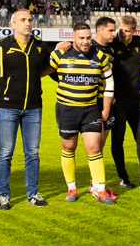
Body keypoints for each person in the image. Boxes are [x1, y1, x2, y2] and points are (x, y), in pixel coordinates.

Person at [0, 9, 54, 209]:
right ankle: (3, 195)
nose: (27, 23)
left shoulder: (40, 46)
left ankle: (32, 193)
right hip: (7, 107)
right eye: (22, 20)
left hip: (34, 107)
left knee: (32, 153)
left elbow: (49, 67)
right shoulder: (1, 47)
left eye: (30, 20)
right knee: (5, 153)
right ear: (13, 24)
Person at [50, 19, 116, 204]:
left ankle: (100, 190)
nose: (86, 41)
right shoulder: (60, 55)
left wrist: (105, 109)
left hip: (90, 110)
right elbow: (45, 68)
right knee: (68, 148)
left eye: (88, 38)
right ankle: (71, 188)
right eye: (81, 38)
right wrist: (57, 47)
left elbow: (109, 83)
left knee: (95, 148)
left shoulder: (100, 57)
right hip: (67, 110)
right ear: (73, 37)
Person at [107, 15, 140, 189]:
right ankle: (123, 177)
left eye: (127, 31)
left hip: (138, 100)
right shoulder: (111, 44)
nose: (123, 34)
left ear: (135, 31)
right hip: (118, 102)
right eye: (121, 30)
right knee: (118, 140)